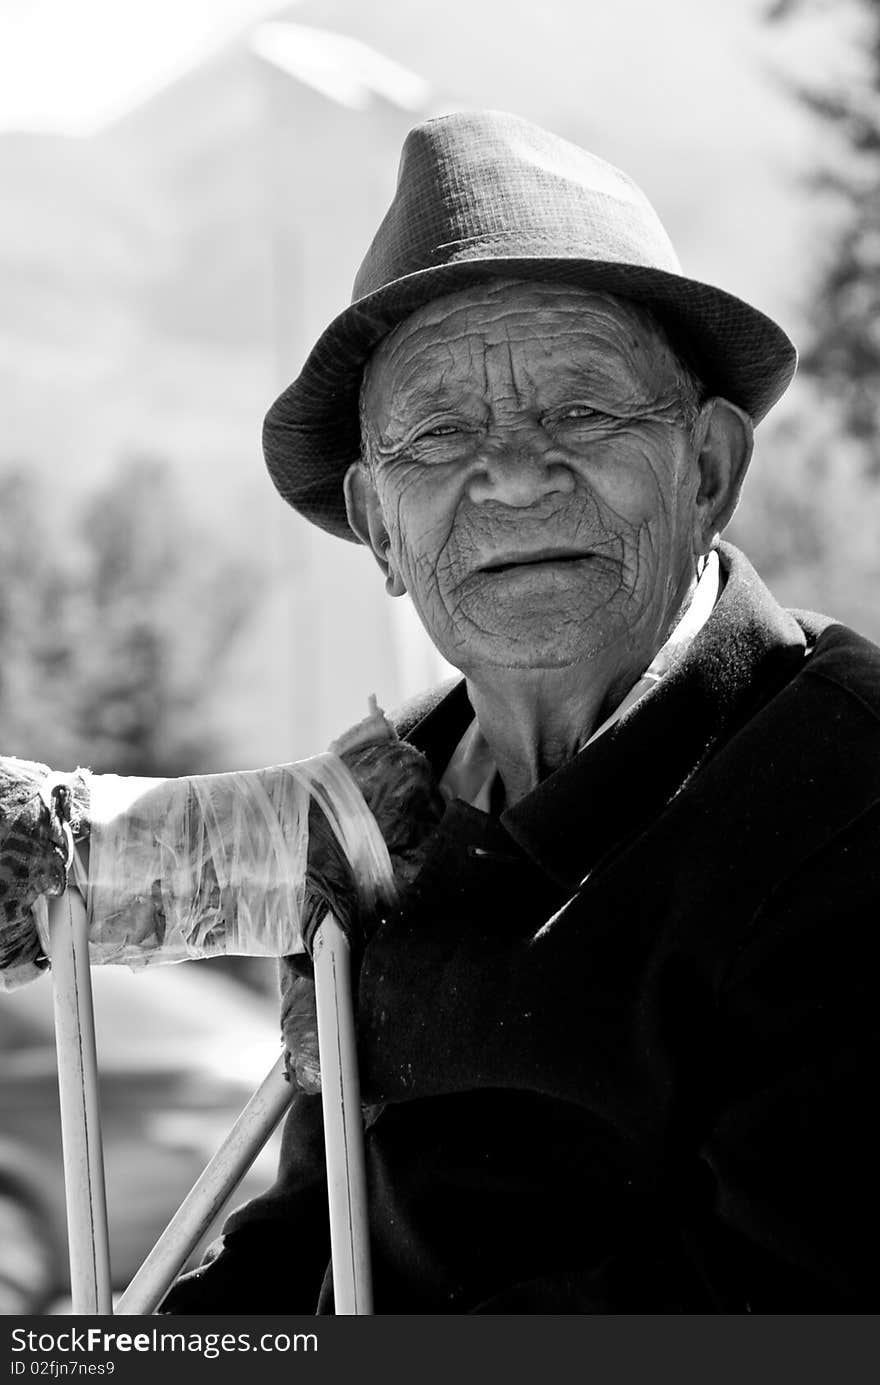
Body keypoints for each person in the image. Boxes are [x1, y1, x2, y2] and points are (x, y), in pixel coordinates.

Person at [161, 109, 880, 1313]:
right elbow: (313, 1238)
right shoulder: (378, 812)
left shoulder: (843, 795)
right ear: (380, 525)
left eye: (582, 411)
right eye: (439, 433)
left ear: (706, 470)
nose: (510, 473)